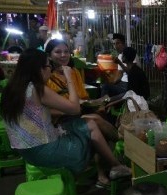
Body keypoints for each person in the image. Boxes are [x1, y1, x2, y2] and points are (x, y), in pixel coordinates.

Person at [0, 48, 131, 184]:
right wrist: (69, 78)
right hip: (46, 152)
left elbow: (34, 114)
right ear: (39, 69)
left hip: (28, 152)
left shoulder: (13, 88)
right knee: (92, 127)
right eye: (48, 65)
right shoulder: (37, 89)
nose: (50, 69)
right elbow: (74, 109)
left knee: (91, 123)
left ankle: (115, 165)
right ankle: (117, 162)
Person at [45, 39, 120, 187]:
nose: (63, 55)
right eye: (58, 52)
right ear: (49, 55)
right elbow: (45, 109)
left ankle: (103, 173)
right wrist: (66, 109)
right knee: (95, 121)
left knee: (96, 118)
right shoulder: (47, 76)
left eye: (66, 51)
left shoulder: (74, 72)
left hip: (77, 115)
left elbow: (83, 98)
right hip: (58, 123)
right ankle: (121, 144)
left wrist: (95, 104)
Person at [101, 33, 140, 98]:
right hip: (122, 84)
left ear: (123, 43)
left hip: (130, 85)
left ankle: (103, 105)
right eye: (114, 44)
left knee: (107, 90)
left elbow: (132, 73)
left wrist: (120, 63)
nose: (115, 46)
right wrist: (112, 83)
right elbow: (120, 74)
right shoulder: (120, 56)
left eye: (118, 43)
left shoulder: (131, 54)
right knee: (104, 87)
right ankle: (104, 105)